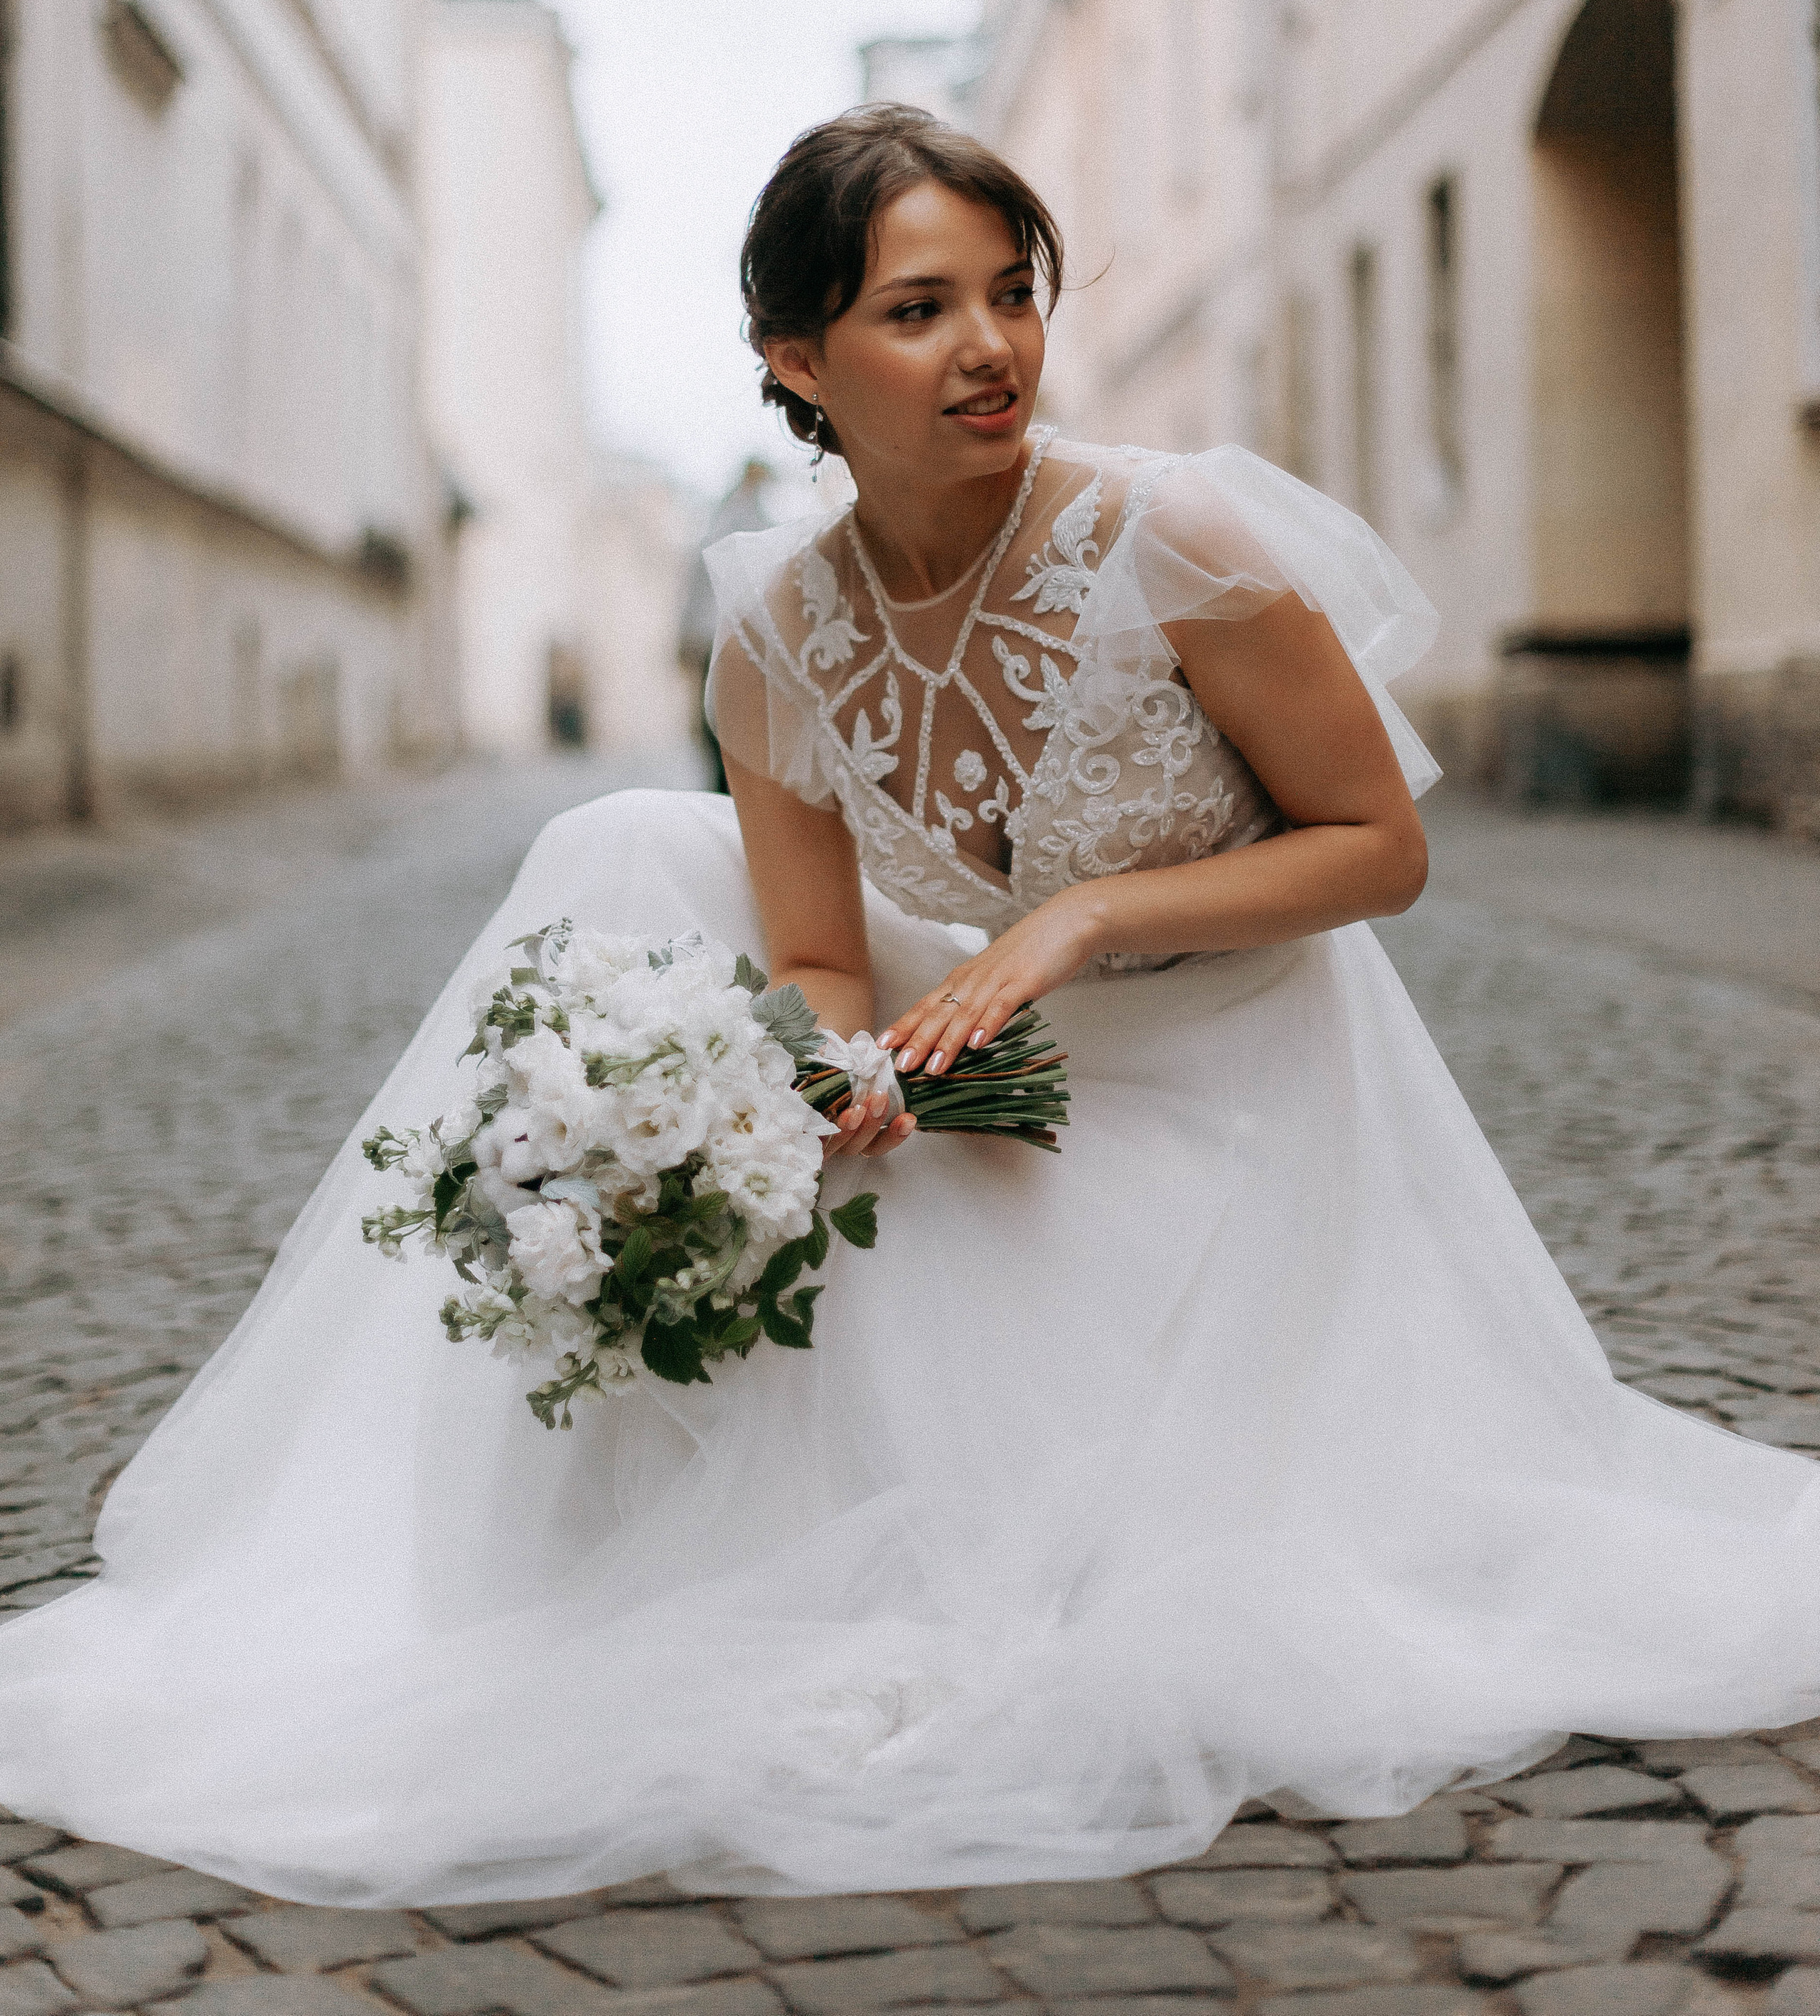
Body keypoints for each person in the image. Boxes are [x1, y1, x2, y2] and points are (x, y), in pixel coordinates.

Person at [1, 106, 1815, 1910]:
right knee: (629, 846)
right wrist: (817, 1081)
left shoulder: (1171, 536)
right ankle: (615, 1541)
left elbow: (1377, 845)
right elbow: (805, 954)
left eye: (1011, 294)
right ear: (796, 357)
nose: (987, 347)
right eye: (917, 308)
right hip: (979, 1036)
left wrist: (1085, 913)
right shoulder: (773, 636)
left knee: (1163, 1547)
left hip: (1239, 1043)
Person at [677, 455, 776, 789]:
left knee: (725, 715)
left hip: (725, 631)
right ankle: (728, 784)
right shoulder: (741, 519)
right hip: (729, 631)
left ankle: (729, 783)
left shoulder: (728, 515)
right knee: (726, 714)